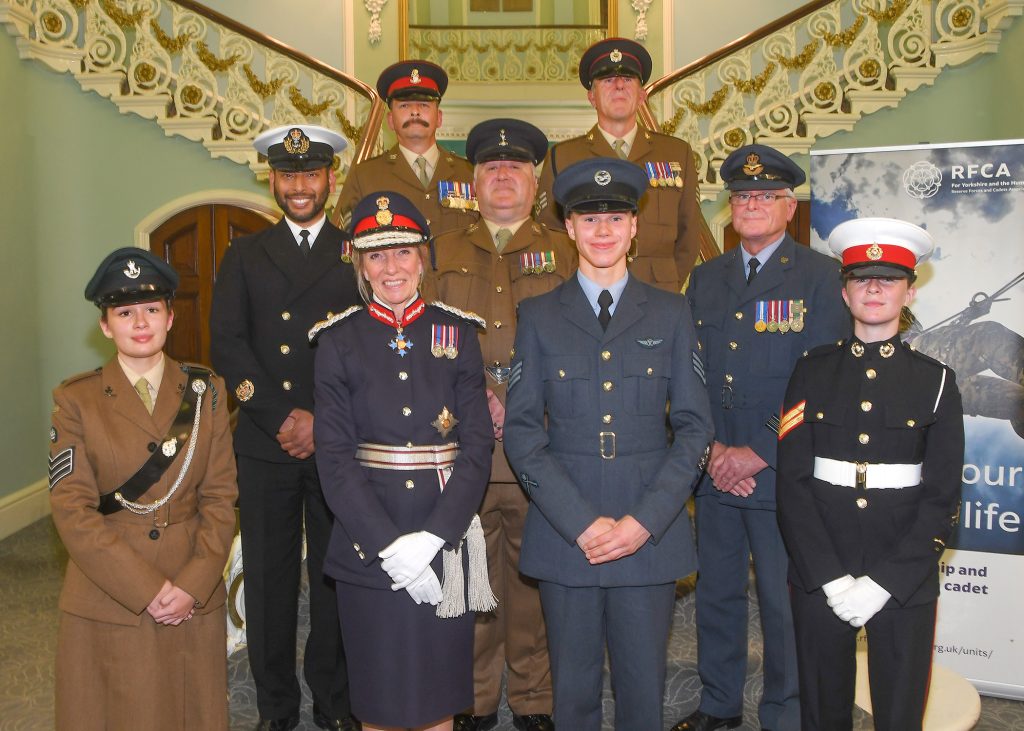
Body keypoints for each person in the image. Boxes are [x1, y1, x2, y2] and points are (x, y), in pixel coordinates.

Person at [503, 158, 714, 731]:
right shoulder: (539, 316)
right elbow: (522, 430)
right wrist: (580, 522)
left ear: (634, 227)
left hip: (647, 536)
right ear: (568, 228)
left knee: (643, 693)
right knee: (571, 696)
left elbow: (695, 427)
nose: (602, 230)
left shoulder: (672, 314)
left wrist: (644, 521)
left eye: (615, 217)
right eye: (587, 217)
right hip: (566, 536)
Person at [672, 144, 849, 731]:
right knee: (716, 596)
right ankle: (719, 702)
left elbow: (821, 382)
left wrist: (758, 452)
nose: (751, 205)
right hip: (716, 467)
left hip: (779, 470)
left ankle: (784, 712)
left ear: (787, 205)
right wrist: (714, 451)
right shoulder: (707, 277)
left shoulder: (823, 278)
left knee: (780, 601)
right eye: (742, 196)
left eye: (764, 196)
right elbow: (689, 371)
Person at [310, 191, 495, 730]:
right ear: (359, 265)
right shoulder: (336, 341)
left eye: (403, 252)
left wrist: (434, 539)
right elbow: (336, 458)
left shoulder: (456, 332)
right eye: (375, 255)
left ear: (423, 257)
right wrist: (391, 548)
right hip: (368, 545)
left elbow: (477, 446)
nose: (391, 268)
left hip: (446, 535)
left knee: (439, 700)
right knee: (379, 703)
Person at [777, 218, 964, 731]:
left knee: (901, 711)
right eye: (862, 278)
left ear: (909, 292)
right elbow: (792, 484)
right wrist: (831, 578)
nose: (875, 288)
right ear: (845, 291)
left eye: (888, 278)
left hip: (903, 569)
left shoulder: (937, 382)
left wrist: (884, 583)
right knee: (821, 708)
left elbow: (943, 495)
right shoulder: (810, 370)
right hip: (822, 564)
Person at [209, 125, 361, 731]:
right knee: (269, 583)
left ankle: (333, 700)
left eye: (311, 174)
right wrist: (282, 416)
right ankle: (276, 707)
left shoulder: (357, 252)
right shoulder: (244, 254)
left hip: (336, 440)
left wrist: (324, 420)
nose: (300, 186)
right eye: (288, 174)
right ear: (271, 180)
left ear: (330, 179)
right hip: (267, 442)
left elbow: (369, 343)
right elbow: (228, 344)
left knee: (335, 576)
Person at [49, 247, 237, 730]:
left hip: (191, 584)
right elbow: (71, 510)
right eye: (124, 312)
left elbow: (221, 499)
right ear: (105, 326)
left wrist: (194, 584)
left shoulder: (207, 391)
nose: (140, 322)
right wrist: (147, 588)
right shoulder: (76, 400)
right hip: (109, 590)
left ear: (170, 318)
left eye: (152, 309)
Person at [428, 118, 571, 731]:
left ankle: (534, 697)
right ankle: (476, 697)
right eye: (490, 168)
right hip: (463, 444)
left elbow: (577, 340)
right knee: (470, 577)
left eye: (515, 168)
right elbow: (430, 336)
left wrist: (520, 396)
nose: (503, 176)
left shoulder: (566, 249)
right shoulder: (440, 247)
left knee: (532, 579)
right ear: (474, 181)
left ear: (535, 180)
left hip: (539, 442)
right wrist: (478, 393)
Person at [535, 38, 712, 291]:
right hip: (586, 292)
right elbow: (550, 236)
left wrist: (666, 284)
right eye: (607, 81)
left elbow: (689, 235)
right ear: (591, 97)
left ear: (641, 96)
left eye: (628, 80)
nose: (619, 86)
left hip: (656, 293)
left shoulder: (676, 153)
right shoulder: (562, 157)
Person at [337, 60, 477, 238]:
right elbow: (349, 244)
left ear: (439, 118)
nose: (415, 112)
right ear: (390, 121)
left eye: (424, 105)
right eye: (404, 105)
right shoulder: (364, 176)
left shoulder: (469, 173)